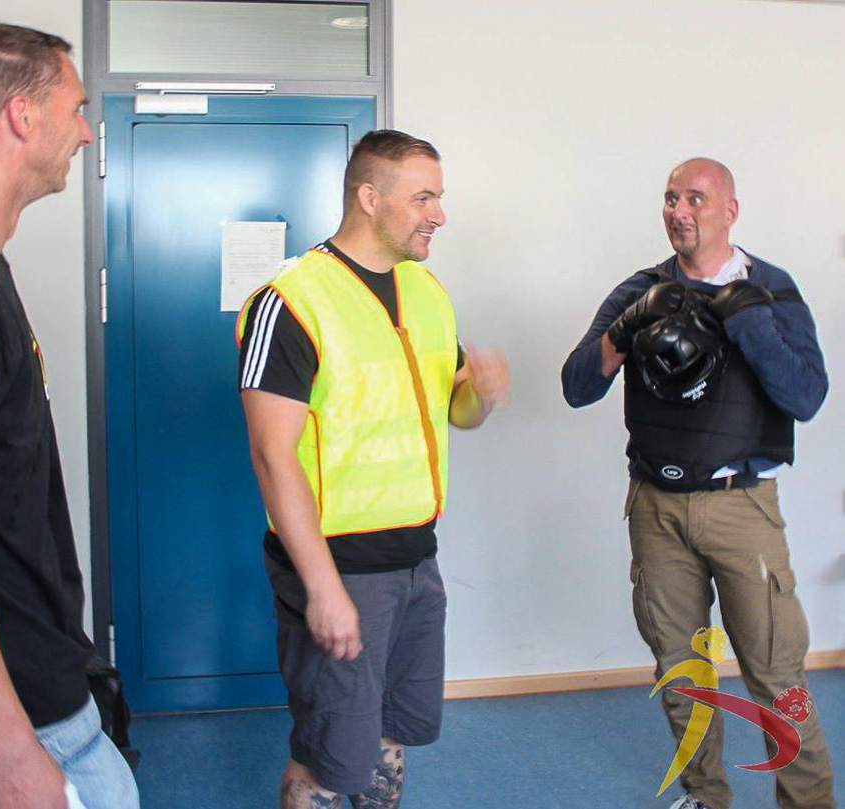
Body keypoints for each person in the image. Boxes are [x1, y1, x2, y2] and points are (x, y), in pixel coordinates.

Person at [238, 129, 509, 809]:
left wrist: (481, 396)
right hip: (339, 567)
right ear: (369, 197)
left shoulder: (427, 290)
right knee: (328, 754)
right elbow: (272, 456)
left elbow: (453, 411)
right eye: (424, 198)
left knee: (392, 733)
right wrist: (322, 586)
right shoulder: (290, 300)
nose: (439, 214)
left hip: (417, 559)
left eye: (438, 197)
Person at [561, 158, 834, 809]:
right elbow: (576, 385)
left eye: (696, 198)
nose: (680, 211)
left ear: (729, 211)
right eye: (670, 198)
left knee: (776, 672)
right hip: (655, 508)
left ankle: (809, 802)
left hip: (742, 508)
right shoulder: (642, 288)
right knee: (680, 669)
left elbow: (806, 396)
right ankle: (705, 795)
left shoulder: (771, 288)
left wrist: (750, 320)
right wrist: (623, 331)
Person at [0, 23, 139, 809]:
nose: (88, 131)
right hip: (19, 713)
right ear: (21, 115)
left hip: (37, 685)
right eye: (77, 108)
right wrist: (10, 746)